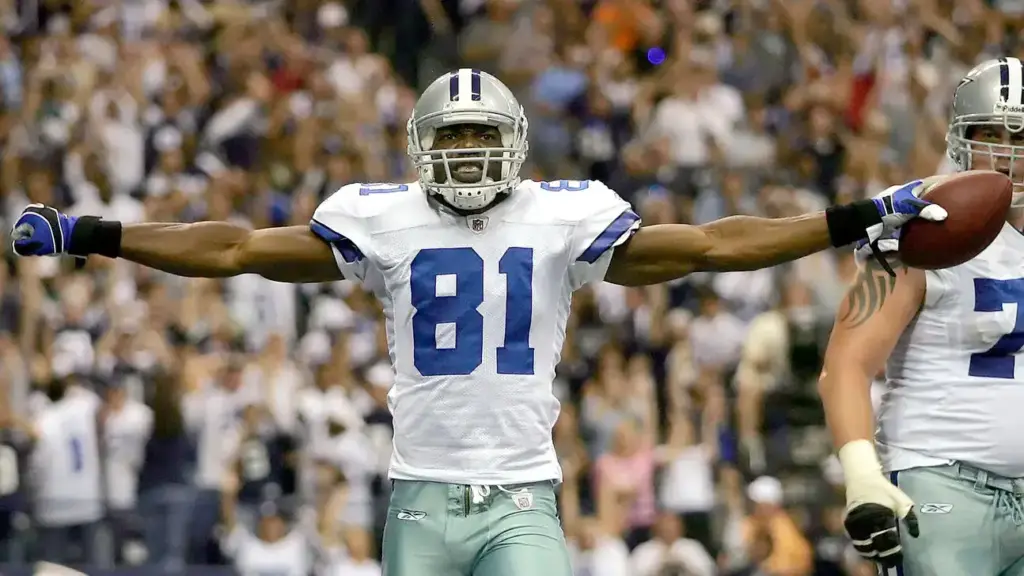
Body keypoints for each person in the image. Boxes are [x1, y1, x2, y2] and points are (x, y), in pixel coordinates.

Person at [11, 69, 942, 576]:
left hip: (522, 497)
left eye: (478, 139)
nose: (463, 156)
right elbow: (235, 249)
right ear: (420, 151)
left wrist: (854, 215)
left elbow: (707, 246)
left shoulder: (563, 211)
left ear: (515, 148)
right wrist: (99, 232)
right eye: (449, 140)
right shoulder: (379, 214)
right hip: (418, 494)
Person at [818, 57, 1024, 576]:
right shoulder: (924, 226)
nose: (1006, 152)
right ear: (961, 138)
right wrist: (862, 473)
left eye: (1020, 137)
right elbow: (847, 364)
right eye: (989, 132)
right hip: (943, 482)